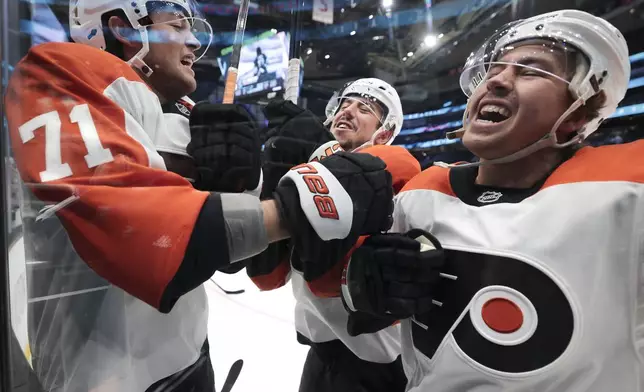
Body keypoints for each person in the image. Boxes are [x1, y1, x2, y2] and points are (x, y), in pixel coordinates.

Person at [3, 0, 395, 391]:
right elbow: (143, 234)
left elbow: (228, 253)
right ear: (124, 29)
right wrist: (294, 209)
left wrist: (263, 176)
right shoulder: (59, 72)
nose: (193, 41)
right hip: (104, 377)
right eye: (176, 25)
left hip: (188, 356)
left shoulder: (185, 111)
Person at [340, 9, 644, 392]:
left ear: (578, 112)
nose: (497, 80)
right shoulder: (423, 190)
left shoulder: (628, 188)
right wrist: (364, 287)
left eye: (531, 70)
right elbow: (360, 314)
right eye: (495, 69)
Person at [247, 78, 418, 392]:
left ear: (386, 130)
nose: (349, 111)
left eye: (364, 108)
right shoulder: (314, 173)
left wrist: (306, 169)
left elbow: (327, 276)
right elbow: (268, 277)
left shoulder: (396, 169)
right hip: (323, 354)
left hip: (376, 363)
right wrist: (277, 175)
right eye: (345, 104)